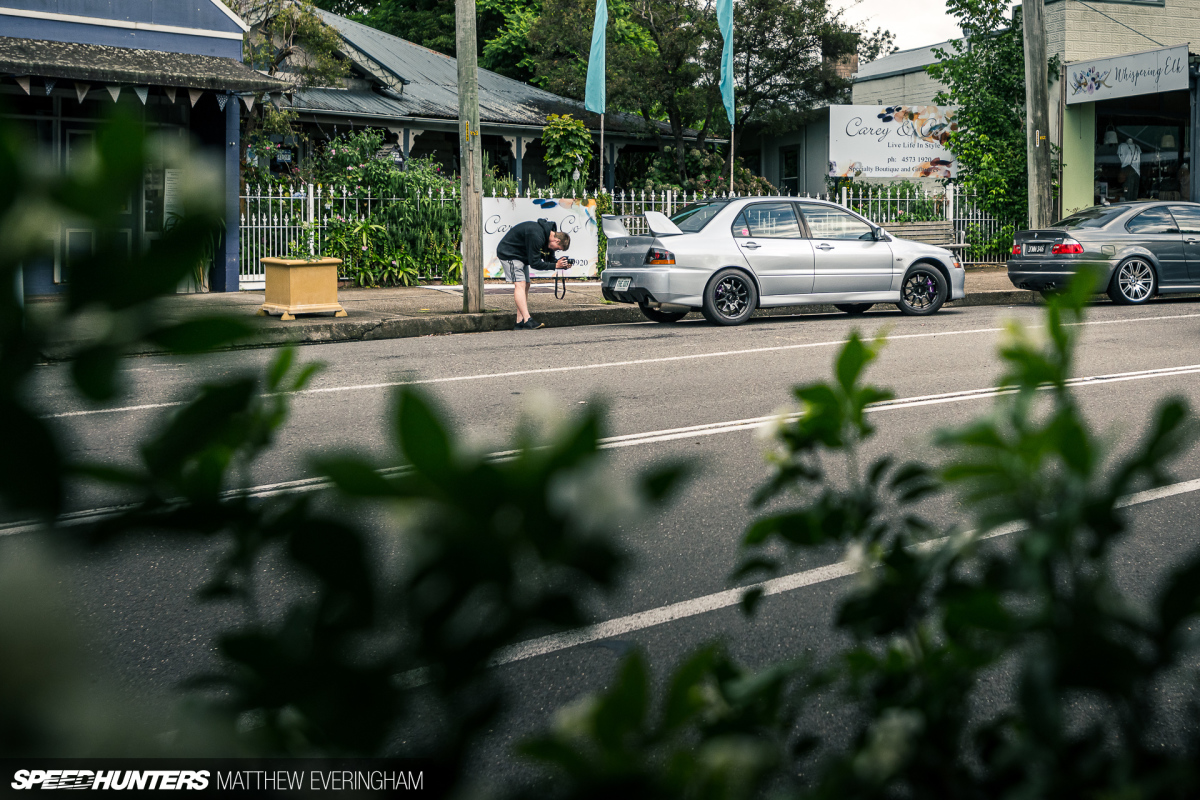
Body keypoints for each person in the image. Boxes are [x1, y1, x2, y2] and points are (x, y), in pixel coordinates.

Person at [496, 219, 571, 330]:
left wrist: (560, 264)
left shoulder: (548, 237)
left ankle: (519, 321)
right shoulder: (537, 235)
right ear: (557, 241)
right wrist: (555, 265)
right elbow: (535, 263)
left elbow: (549, 259)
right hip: (509, 253)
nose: (556, 250)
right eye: (558, 249)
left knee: (526, 284)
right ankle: (527, 320)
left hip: (521, 256)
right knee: (520, 284)